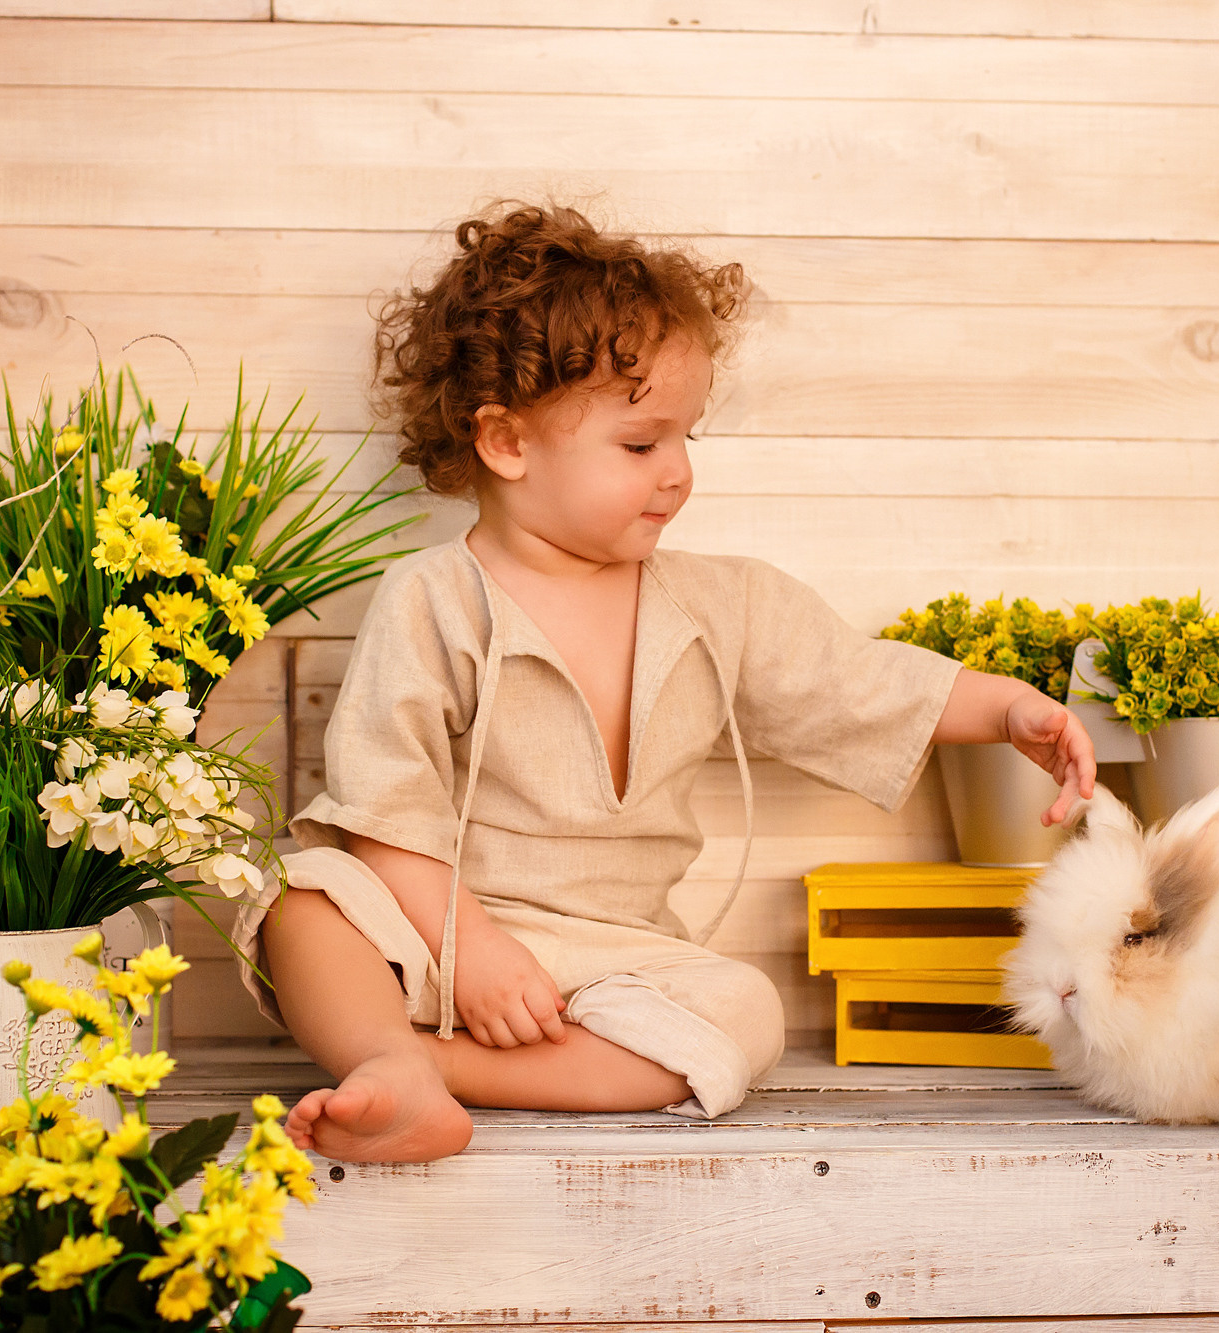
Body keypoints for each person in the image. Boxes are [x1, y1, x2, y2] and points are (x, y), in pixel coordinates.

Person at [233, 201, 1095, 1163]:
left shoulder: (721, 603)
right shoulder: (433, 601)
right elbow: (384, 810)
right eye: (642, 445)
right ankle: (389, 1054)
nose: (677, 473)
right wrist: (469, 947)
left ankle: (436, 1074)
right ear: (507, 443)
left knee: (744, 1011)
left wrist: (1010, 709)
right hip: (435, 932)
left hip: (610, 965)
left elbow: (855, 682)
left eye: (687, 439)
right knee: (301, 901)